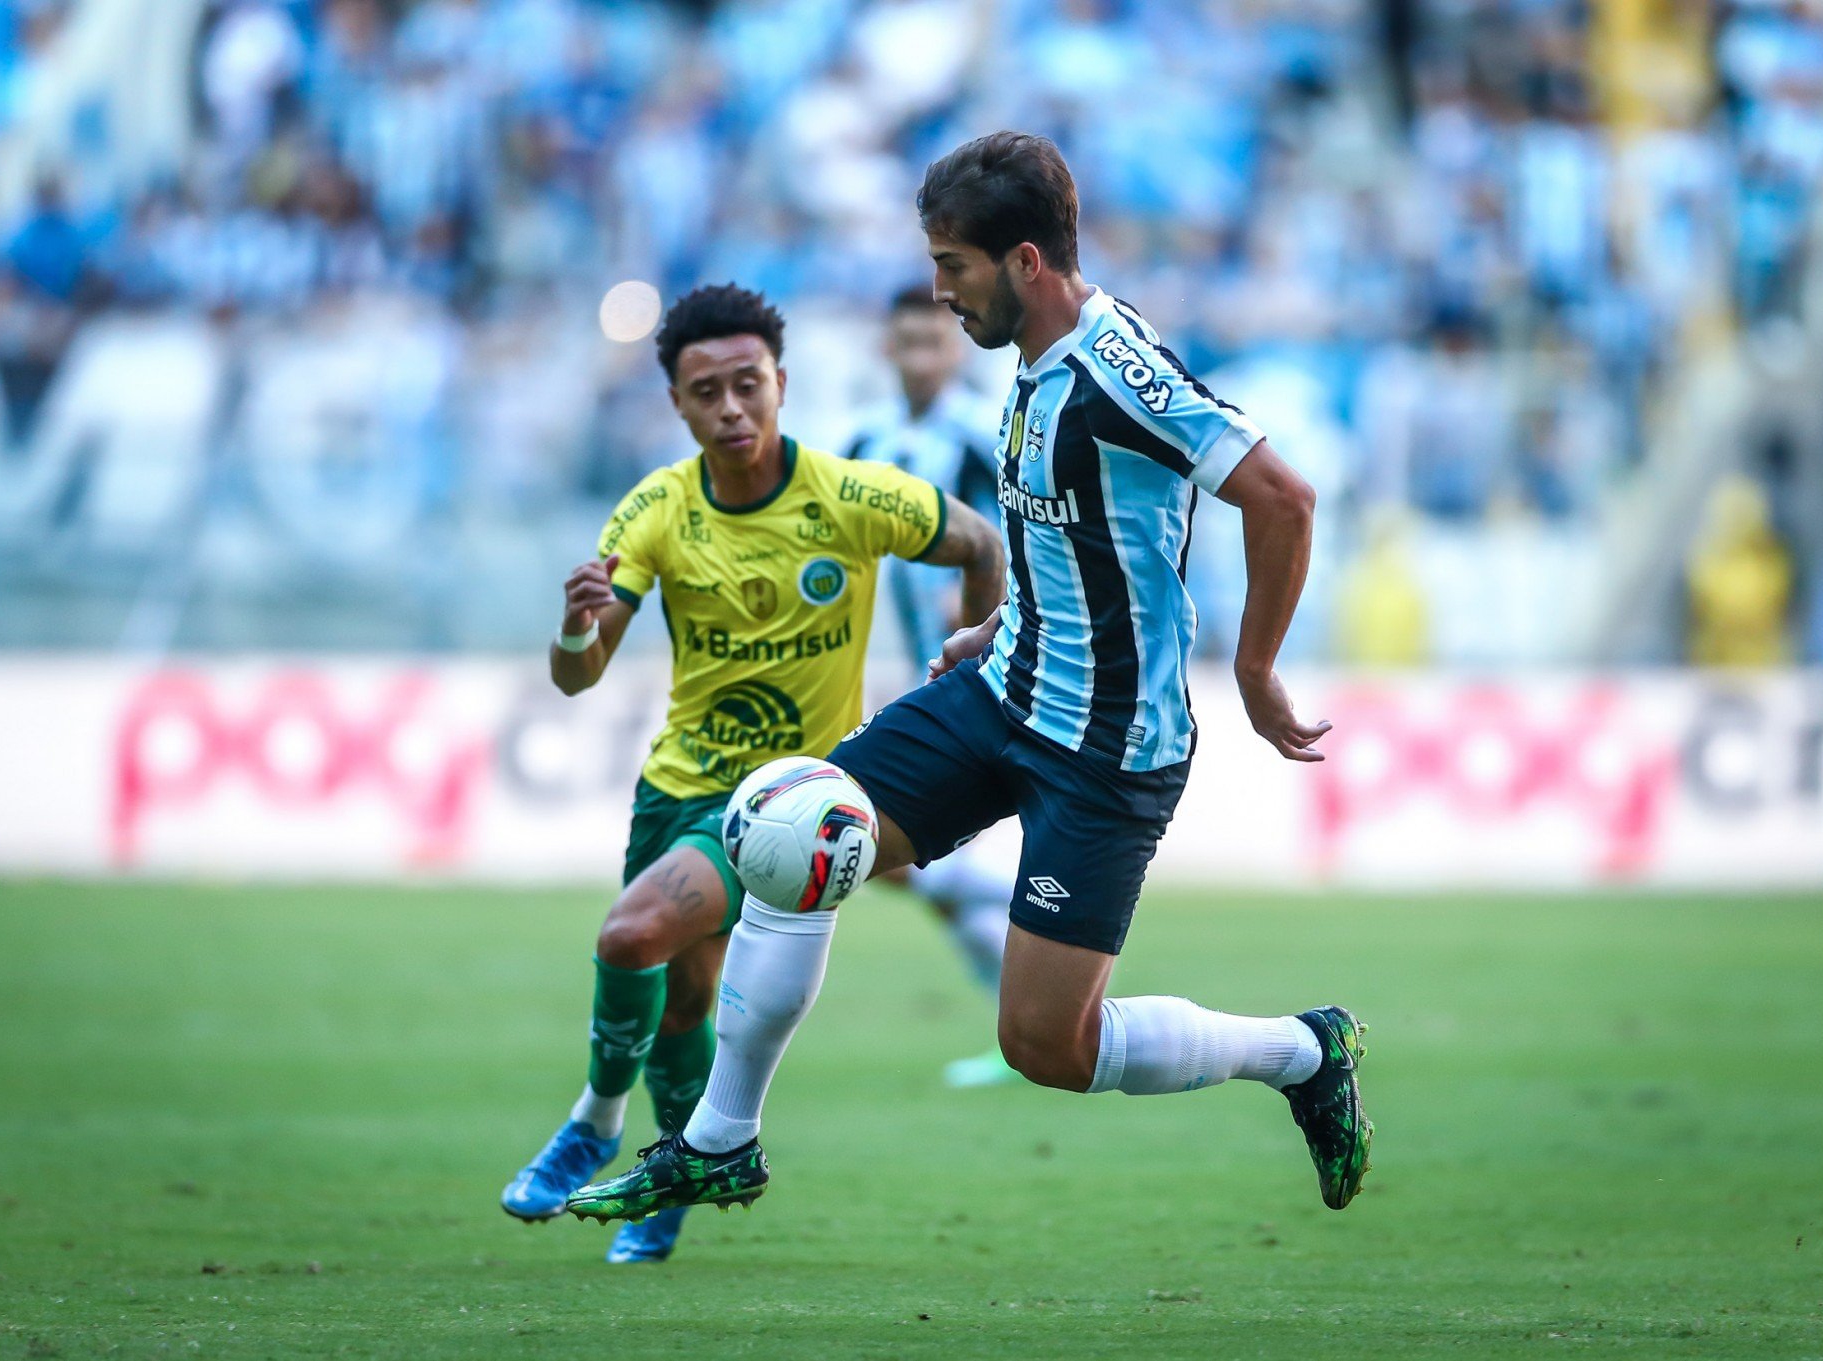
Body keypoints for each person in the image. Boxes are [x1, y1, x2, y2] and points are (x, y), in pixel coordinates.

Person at [565, 133, 1369, 1227]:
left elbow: (1283, 496)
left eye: (954, 266)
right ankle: (720, 1139)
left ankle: (1298, 1051)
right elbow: (1080, 531)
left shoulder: (1114, 370)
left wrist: (1258, 667)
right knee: (794, 826)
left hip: (1108, 744)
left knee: (1046, 1044)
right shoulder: (1035, 364)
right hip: (1004, 688)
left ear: (1026, 262)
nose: (940, 292)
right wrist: (999, 622)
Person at [499, 283, 1003, 1263]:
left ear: (782, 383)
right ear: (679, 405)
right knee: (684, 1003)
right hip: (677, 788)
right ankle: (675, 1186)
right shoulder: (657, 506)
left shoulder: (853, 495)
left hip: (784, 805)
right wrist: (573, 624)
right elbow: (577, 675)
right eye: (706, 393)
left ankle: (595, 1122)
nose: (731, 408)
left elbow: (981, 544)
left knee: (629, 932)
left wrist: (966, 648)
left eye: (748, 384)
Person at [842, 284, 1020, 1089]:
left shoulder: (983, 435)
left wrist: (987, 600)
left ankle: (1048, 921)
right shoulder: (866, 441)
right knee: (911, 868)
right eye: (906, 342)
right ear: (887, 348)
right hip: (920, 672)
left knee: (891, 853)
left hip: (995, 671)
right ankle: (1022, 1014)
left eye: (933, 343)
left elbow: (1029, 535)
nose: (919, 358)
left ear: (956, 350)